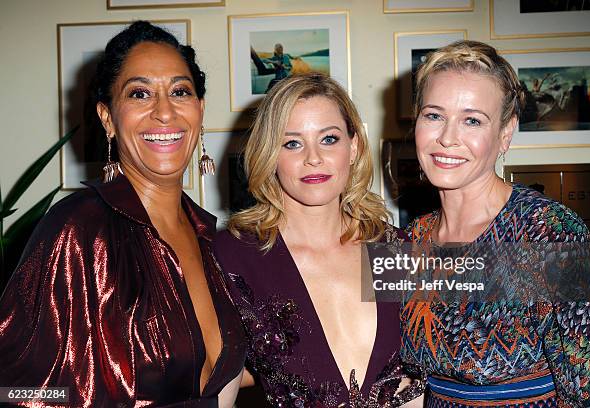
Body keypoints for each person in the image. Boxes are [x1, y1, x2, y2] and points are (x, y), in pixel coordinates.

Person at [0, 21, 245, 407]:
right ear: (108, 118)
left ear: (200, 110)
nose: (165, 112)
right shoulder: (78, 231)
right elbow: (14, 391)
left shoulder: (213, 238)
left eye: (180, 91)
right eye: (140, 93)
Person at [400, 40, 590, 406]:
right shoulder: (412, 236)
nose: (447, 138)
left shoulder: (549, 232)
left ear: (505, 133)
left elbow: (587, 389)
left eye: (472, 120)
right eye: (433, 115)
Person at [213, 72, 424, 407]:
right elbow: (215, 387)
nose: (313, 157)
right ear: (270, 154)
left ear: (353, 147)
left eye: (329, 139)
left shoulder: (393, 249)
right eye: (292, 143)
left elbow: (521, 284)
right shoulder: (233, 256)